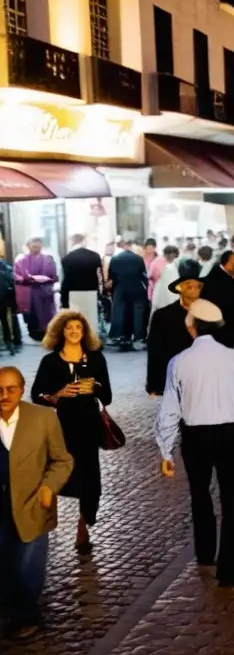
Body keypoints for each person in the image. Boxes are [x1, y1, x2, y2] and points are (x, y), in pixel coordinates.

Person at [155, 300, 234, 587]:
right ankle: (228, 569)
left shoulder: (180, 361)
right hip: (229, 433)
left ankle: (205, 551)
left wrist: (166, 449)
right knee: (232, 499)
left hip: (195, 436)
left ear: (192, 326)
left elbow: (170, 409)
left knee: (200, 495)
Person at [0, 366, 73, 642]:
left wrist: (48, 487)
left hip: (32, 502)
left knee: (26, 564)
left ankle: (26, 618)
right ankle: (14, 608)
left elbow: (63, 460)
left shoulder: (43, 418)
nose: (4, 395)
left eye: (11, 389)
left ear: (21, 389)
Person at [29, 311, 111, 555]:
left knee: (89, 480)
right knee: (58, 476)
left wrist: (94, 387)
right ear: (60, 332)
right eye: (69, 328)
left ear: (84, 332)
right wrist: (59, 395)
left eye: (79, 327)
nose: (74, 331)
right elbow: (36, 395)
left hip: (89, 427)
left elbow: (107, 396)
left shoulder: (96, 359)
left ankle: (82, 528)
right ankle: (44, 521)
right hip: (62, 428)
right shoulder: (51, 362)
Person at [147, 260, 204, 396]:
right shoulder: (163, 316)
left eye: (197, 287)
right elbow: (155, 351)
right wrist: (154, 384)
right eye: (189, 287)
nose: (193, 291)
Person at [200, 250, 234, 357]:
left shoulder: (230, 275)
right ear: (225, 263)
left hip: (229, 320)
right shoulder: (216, 278)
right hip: (221, 321)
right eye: (233, 263)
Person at [107, 239, 148, 350]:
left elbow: (111, 276)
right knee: (137, 315)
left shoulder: (115, 259)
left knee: (120, 313)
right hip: (136, 289)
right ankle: (138, 336)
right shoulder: (138, 259)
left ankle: (121, 336)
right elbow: (143, 275)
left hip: (120, 289)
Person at [14, 237, 58, 340]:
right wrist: (30, 279)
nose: (36, 246)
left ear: (42, 245)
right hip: (30, 290)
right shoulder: (21, 259)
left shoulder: (48, 259)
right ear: (28, 245)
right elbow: (18, 276)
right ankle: (35, 333)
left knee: (48, 313)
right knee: (33, 313)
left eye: (38, 244)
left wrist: (48, 280)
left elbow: (54, 276)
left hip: (46, 290)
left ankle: (48, 332)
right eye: (33, 244)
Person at [60, 235, 104, 336]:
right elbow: (100, 277)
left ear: (72, 242)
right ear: (84, 241)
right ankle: (92, 339)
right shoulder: (94, 256)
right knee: (90, 319)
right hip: (91, 291)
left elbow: (64, 280)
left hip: (73, 293)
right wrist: (101, 292)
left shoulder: (67, 258)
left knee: (75, 318)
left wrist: (64, 299)